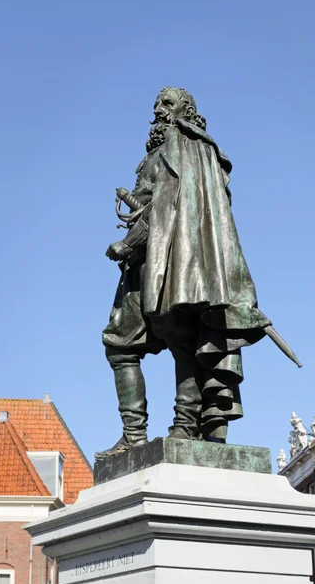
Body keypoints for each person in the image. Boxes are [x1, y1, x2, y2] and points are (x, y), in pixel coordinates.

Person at [96, 87, 272, 459]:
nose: (158, 110)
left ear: (185, 110)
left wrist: (127, 245)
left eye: (167, 104)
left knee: (154, 339)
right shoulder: (187, 153)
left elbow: (164, 210)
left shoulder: (181, 148)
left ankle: (170, 427)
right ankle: (157, 430)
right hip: (168, 265)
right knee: (148, 342)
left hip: (165, 263)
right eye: (157, 104)